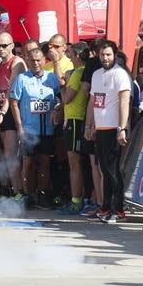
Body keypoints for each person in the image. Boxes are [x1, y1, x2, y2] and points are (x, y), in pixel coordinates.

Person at [85, 41, 131, 222]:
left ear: (115, 55)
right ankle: (105, 207)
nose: (105, 58)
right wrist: (89, 126)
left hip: (114, 128)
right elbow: (93, 102)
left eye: (109, 55)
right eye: (102, 55)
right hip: (101, 128)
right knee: (104, 169)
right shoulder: (96, 74)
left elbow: (124, 102)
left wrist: (122, 128)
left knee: (113, 171)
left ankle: (117, 209)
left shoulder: (120, 74)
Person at [11, 41, 60, 209]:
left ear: (44, 60)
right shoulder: (22, 78)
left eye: (39, 60)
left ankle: (43, 193)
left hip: (47, 129)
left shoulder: (51, 78)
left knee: (45, 162)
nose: (36, 63)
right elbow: (14, 103)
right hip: (29, 129)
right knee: (28, 163)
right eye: (32, 60)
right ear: (28, 60)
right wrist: (19, 127)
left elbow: (61, 97)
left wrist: (58, 108)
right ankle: (27, 193)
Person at [0, 33, 25, 197]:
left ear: (11, 46)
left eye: (4, 46)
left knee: (11, 156)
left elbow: (12, 94)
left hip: (11, 111)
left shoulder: (17, 63)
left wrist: (2, 114)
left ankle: (19, 192)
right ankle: (9, 189)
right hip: (1, 110)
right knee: (1, 154)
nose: (0, 49)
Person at [58, 45, 93, 214]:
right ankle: (80, 199)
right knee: (78, 163)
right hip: (76, 120)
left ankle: (76, 201)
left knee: (75, 164)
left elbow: (66, 98)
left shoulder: (78, 72)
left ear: (78, 55)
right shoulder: (81, 71)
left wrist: (62, 85)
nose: (69, 57)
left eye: (70, 54)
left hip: (76, 120)